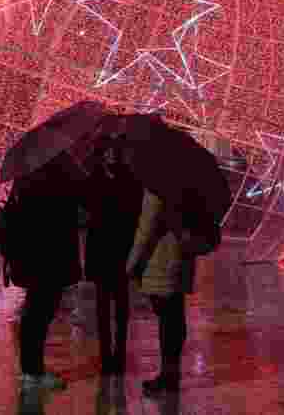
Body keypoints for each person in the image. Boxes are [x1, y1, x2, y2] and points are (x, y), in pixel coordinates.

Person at [8, 150, 85, 391]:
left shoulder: (27, 175)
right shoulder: (50, 177)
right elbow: (68, 213)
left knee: (36, 311)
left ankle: (32, 369)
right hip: (47, 257)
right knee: (39, 312)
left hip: (36, 257)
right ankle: (33, 372)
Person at [126, 189, 198, 395]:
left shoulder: (158, 186)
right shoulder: (187, 181)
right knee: (175, 318)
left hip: (161, 259)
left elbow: (146, 229)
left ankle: (168, 377)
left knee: (168, 321)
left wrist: (131, 265)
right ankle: (171, 376)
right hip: (183, 256)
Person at [83, 130, 143, 374]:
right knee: (106, 303)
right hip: (105, 247)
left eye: (114, 151)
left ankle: (117, 352)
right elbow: (87, 206)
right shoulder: (96, 179)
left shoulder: (127, 179)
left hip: (116, 246)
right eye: (107, 152)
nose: (111, 156)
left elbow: (134, 210)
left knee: (118, 302)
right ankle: (108, 352)